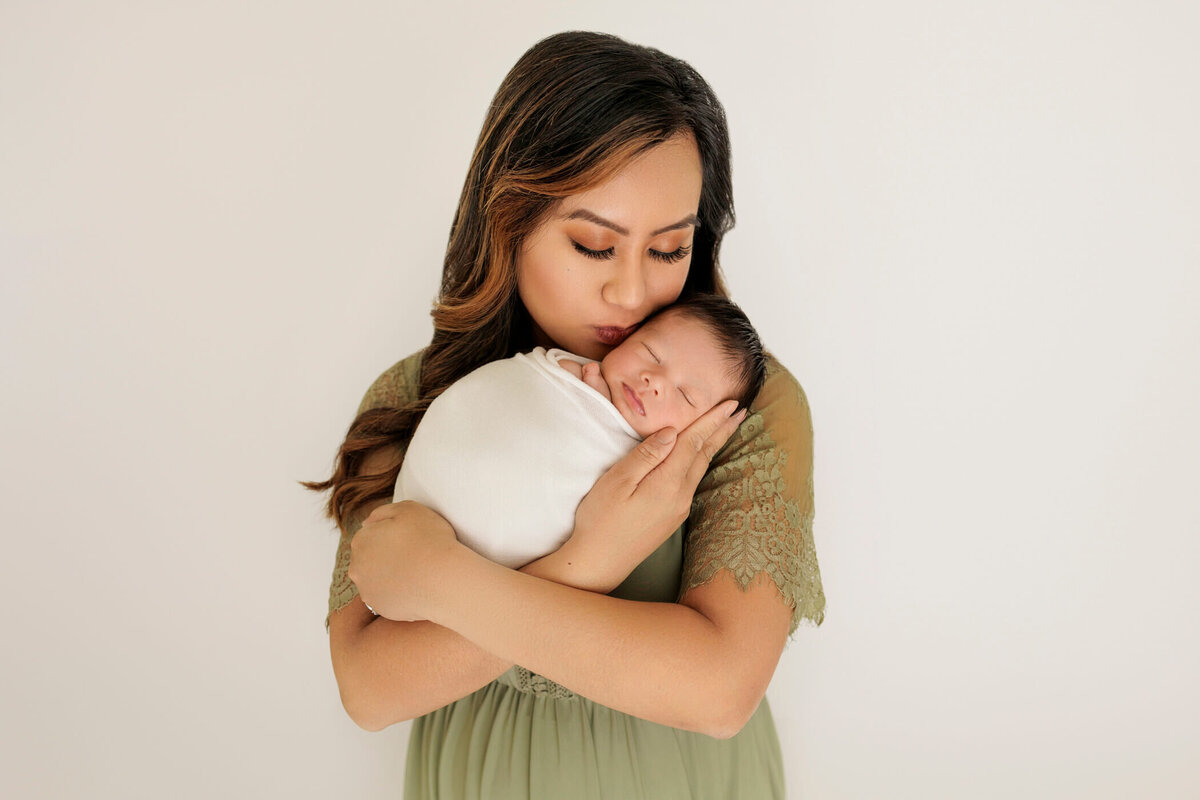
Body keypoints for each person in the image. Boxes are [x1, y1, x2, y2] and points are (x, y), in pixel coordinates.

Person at [307, 30, 825, 799]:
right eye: (593, 245)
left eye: (669, 249)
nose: (632, 293)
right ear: (509, 221)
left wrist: (449, 577)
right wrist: (583, 564)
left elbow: (717, 691)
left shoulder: (732, 408)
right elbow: (372, 690)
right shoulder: (419, 396)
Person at [392, 294, 767, 570]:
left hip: (478, 578)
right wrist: (587, 402)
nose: (654, 380)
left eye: (685, 395)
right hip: (428, 501)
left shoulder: (660, 484)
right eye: (651, 352)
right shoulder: (567, 371)